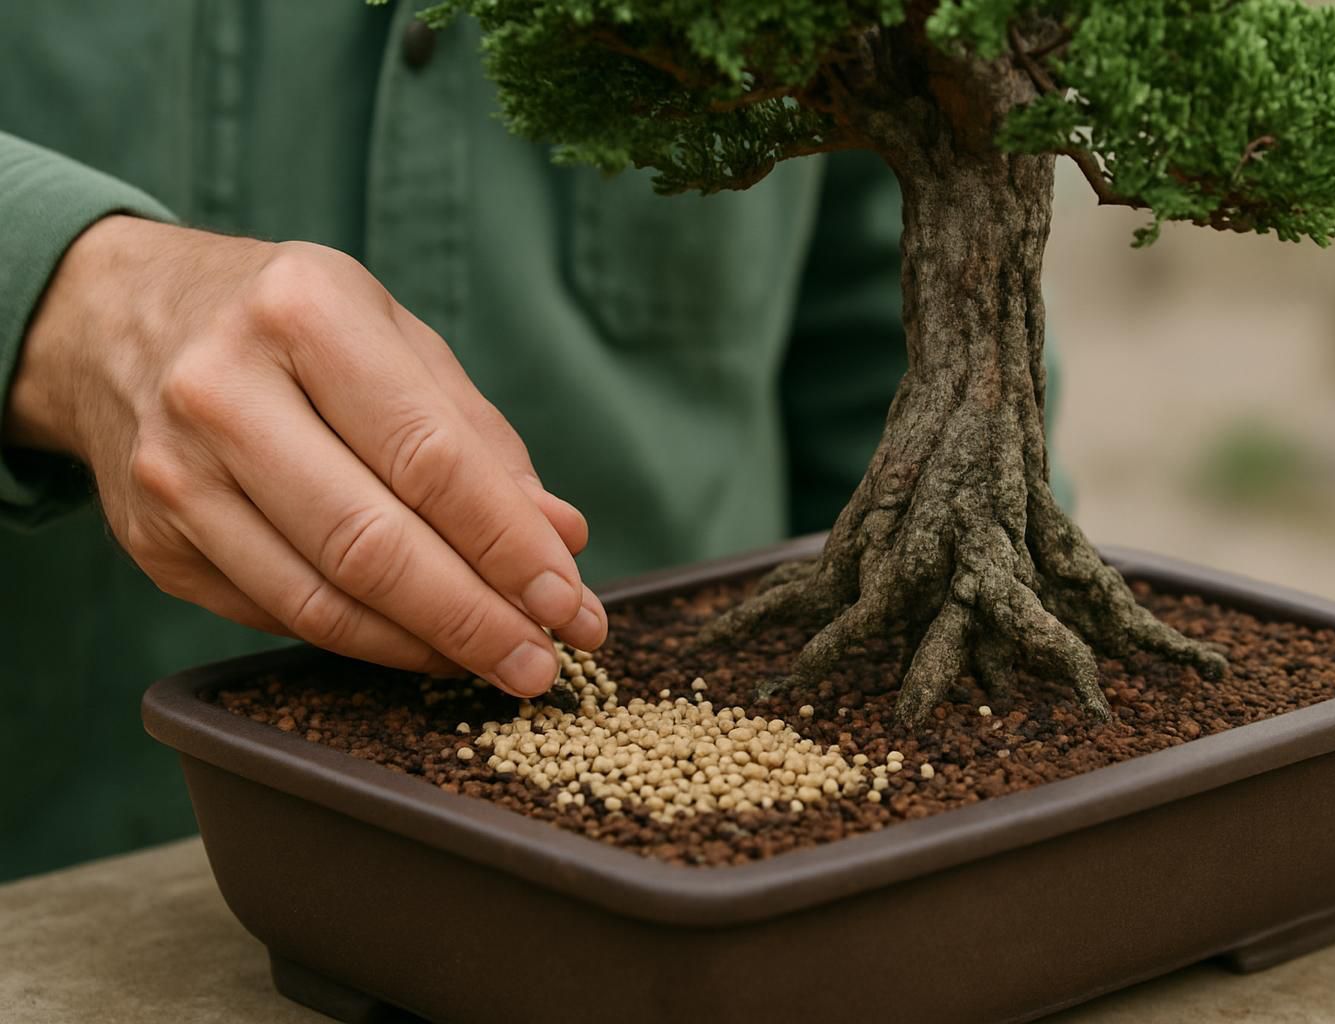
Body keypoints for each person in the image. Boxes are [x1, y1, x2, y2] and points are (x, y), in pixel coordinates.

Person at [0, 4, 1060, 880]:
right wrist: (77, 302)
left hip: (707, 844)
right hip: (91, 870)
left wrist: (992, 699)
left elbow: (890, 311)